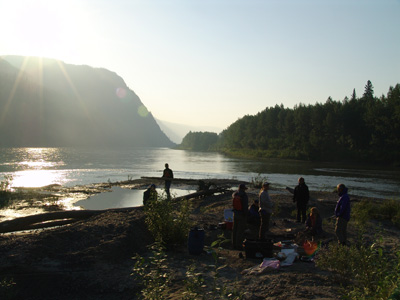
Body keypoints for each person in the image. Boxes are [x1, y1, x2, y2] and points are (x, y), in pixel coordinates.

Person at [232, 183, 249, 250]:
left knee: (235, 229)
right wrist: (246, 215)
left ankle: (234, 244)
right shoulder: (244, 196)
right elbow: (245, 206)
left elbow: (233, 195)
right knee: (240, 230)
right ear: (243, 189)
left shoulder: (235, 194)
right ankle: (238, 245)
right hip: (241, 214)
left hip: (235, 213)